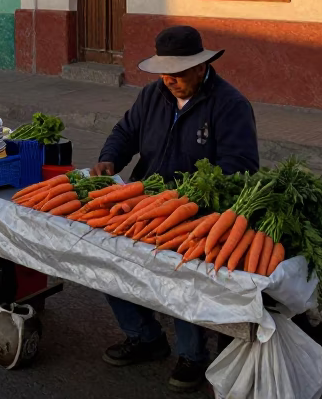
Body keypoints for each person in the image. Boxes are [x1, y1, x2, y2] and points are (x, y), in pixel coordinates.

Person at [90, 25, 259, 393]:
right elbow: (124, 133)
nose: (170, 81)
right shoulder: (153, 96)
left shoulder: (230, 106)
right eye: (164, 73)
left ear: (200, 68)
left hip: (195, 215)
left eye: (178, 74)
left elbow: (241, 170)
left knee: (181, 271)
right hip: (143, 203)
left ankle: (192, 356)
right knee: (104, 253)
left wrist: (187, 200)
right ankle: (145, 336)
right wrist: (108, 159)